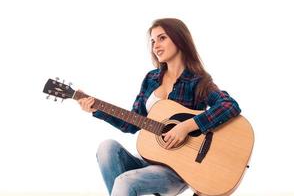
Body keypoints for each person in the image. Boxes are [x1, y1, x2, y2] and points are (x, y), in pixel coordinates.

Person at [78, 18, 241, 196]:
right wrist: (97, 109)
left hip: (176, 170)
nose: (156, 46)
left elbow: (229, 106)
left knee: (124, 182)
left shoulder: (198, 81)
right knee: (106, 148)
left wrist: (185, 127)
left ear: (179, 39)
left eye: (162, 38)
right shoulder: (151, 79)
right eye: (153, 41)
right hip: (148, 160)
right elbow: (132, 123)